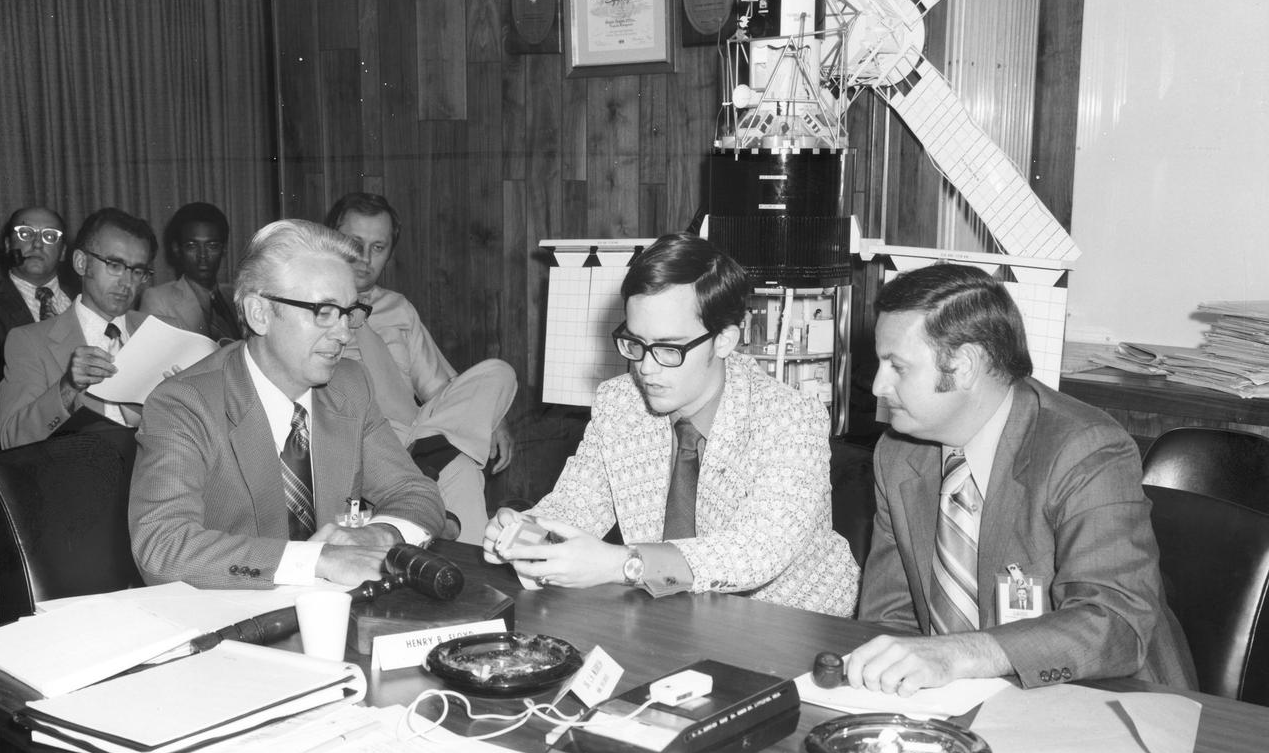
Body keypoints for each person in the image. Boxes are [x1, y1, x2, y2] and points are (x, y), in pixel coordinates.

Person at [849, 263, 1196, 693]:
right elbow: (889, 616)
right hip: (957, 699)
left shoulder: (1085, 448)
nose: (878, 385)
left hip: (1105, 697)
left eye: (896, 366)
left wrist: (960, 654)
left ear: (965, 366)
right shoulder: (898, 454)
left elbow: (1115, 624)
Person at [483, 232, 860, 616]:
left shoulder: (791, 417)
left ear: (725, 340)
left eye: (669, 349)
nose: (645, 368)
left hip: (787, 623)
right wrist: (527, 532)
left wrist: (621, 564)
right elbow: (577, 505)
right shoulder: (620, 403)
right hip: (666, 611)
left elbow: (757, 549)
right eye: (635, 343)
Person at [129, 219, 447, 590]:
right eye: (324, 312)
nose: (344, 333)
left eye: (349, 312)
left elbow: (418, 494)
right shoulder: (184, 404)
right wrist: (318, 560)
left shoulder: (350, 385)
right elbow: (161, 548)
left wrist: (379, 535)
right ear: (259, 313)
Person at [325, 193, 517, 543]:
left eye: (378, 247)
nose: (365, 259)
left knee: (500, 373)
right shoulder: (309, 308)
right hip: (357, 440)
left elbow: (440, 389)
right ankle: (428, 487)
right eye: (355, 244)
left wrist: (493, 416)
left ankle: (421, 479)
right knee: (460, 466)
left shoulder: (398, 308)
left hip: (416, 435)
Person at [0, 207, 159, 448]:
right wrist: (68, 387)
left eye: (137, 271)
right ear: (81, 263)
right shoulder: (28, 341)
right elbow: (12, 439)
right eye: (114, 265)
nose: (127, 282)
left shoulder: (160, 333)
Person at [0, 206, 80, 451]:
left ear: (63, 252)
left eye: (50, 236)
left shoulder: (85, 303)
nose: (37, 244)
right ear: (8, 244)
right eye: (26, 233)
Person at [141, 201, 242, 341]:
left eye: (212, 246)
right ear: (177, 249)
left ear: (224, 249)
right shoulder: (158, 300)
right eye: (192, 246)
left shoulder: (237, 296)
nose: (202, 256)